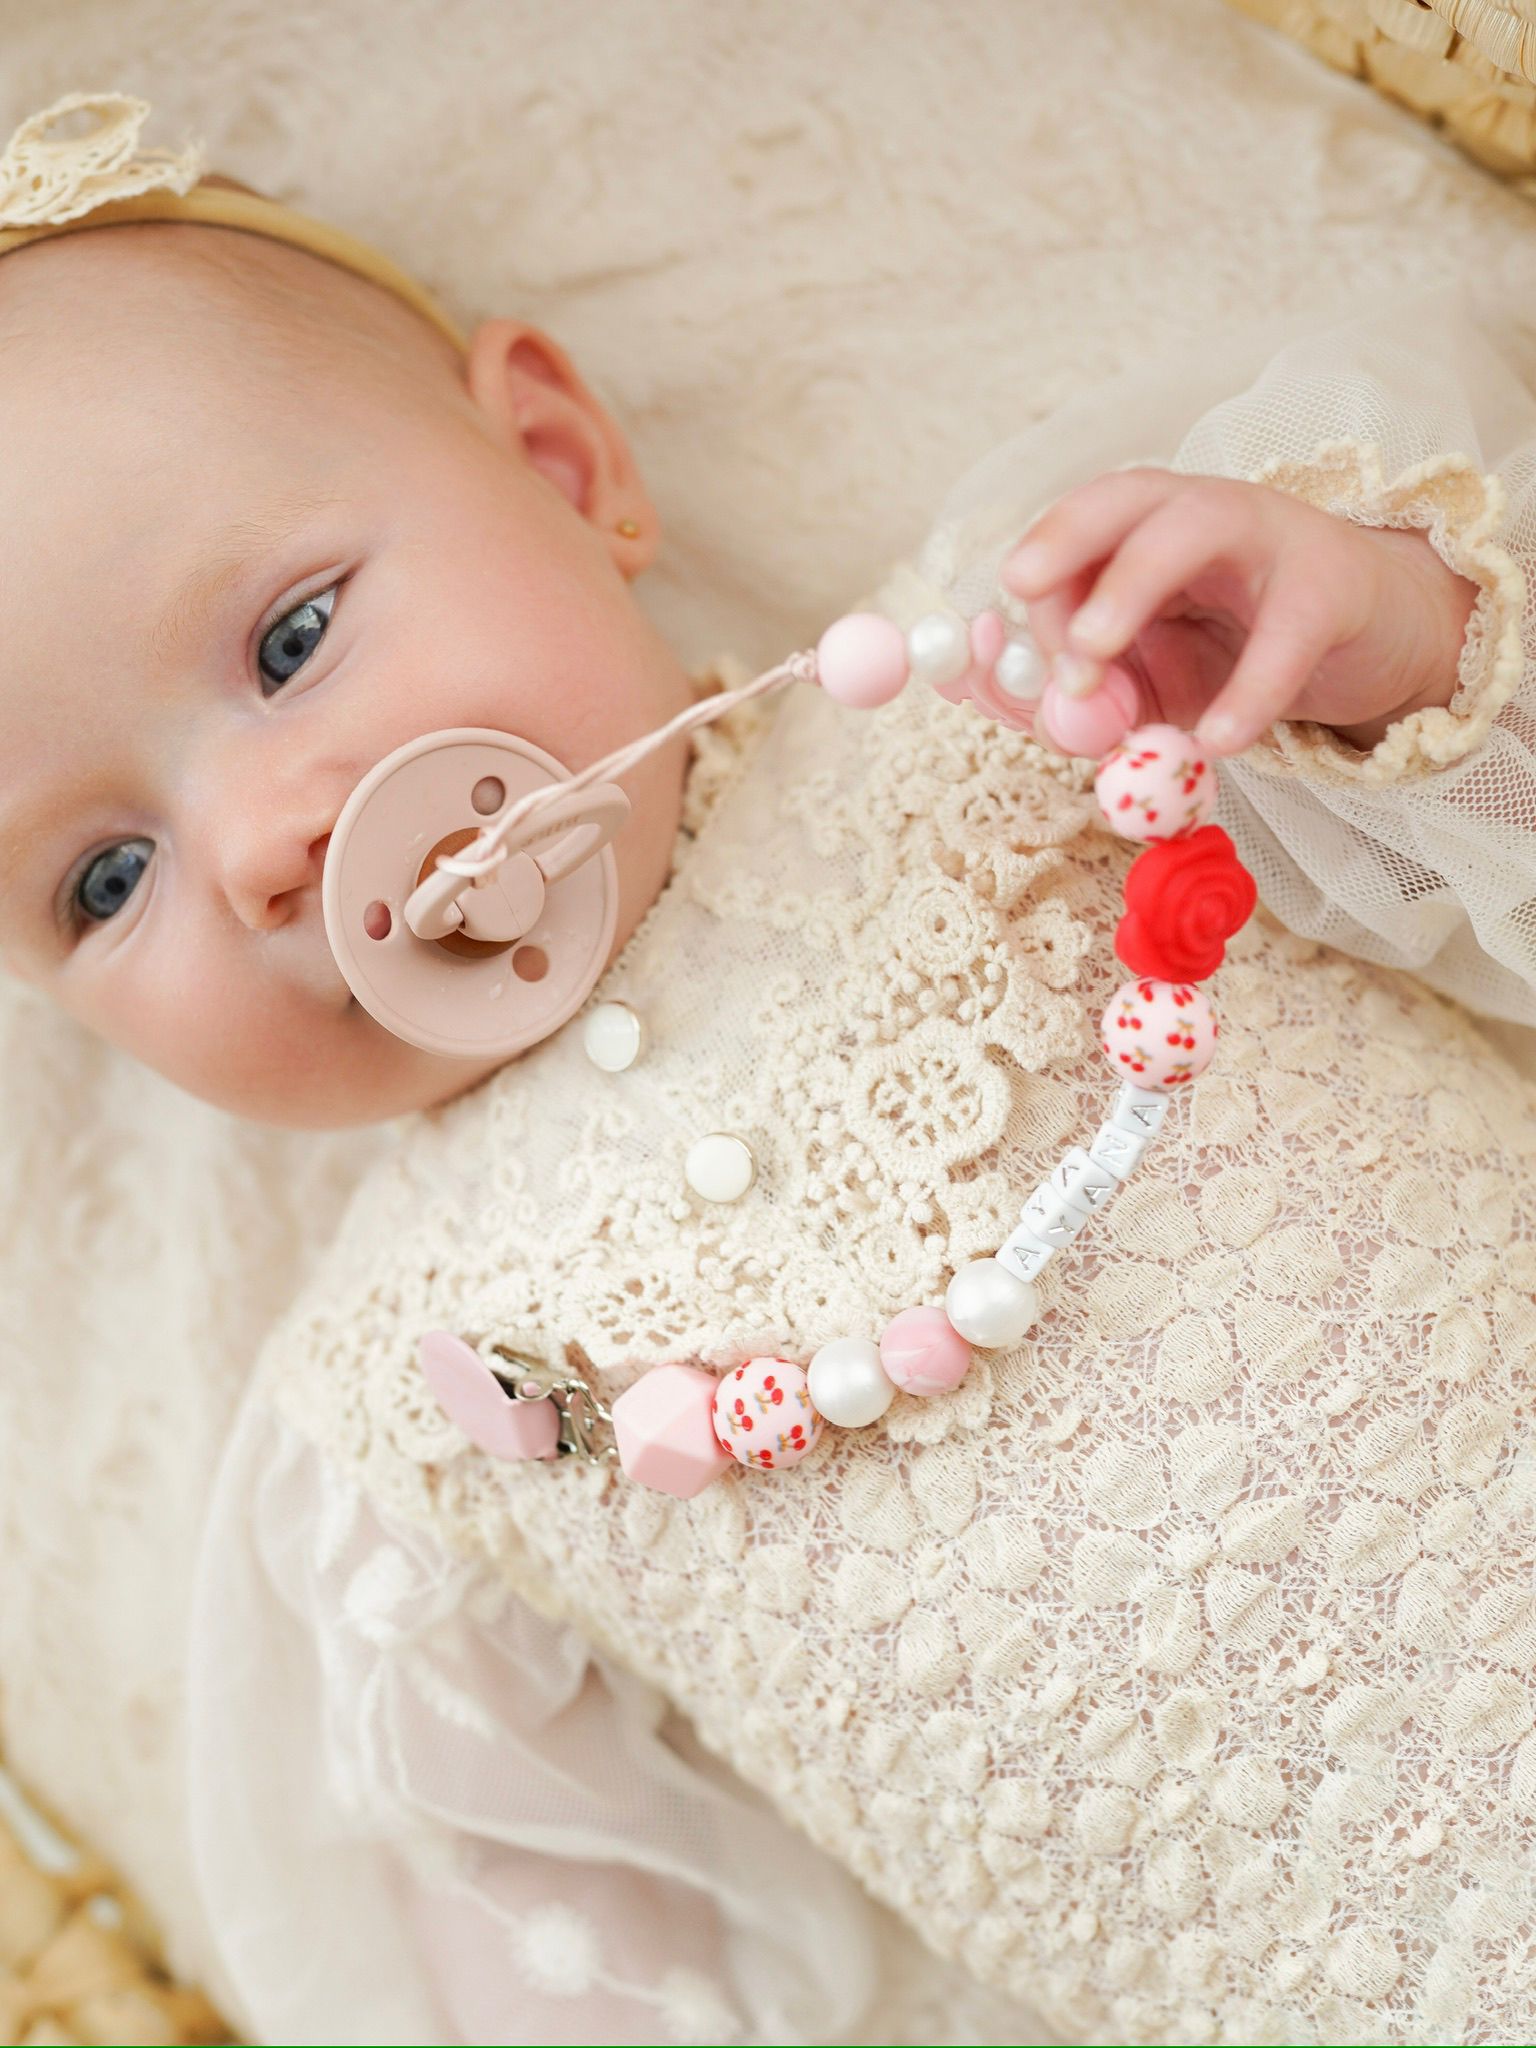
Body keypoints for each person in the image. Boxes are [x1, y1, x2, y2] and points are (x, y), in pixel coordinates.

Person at [5, 90, 1536, 2045]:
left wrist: (1383, 641)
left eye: (294, 640)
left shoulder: (1020, 694)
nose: (258, 850)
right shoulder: (407, 1414)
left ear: (564, 467)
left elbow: (1476, 845)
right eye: (103, 879)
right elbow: (556, 1964)